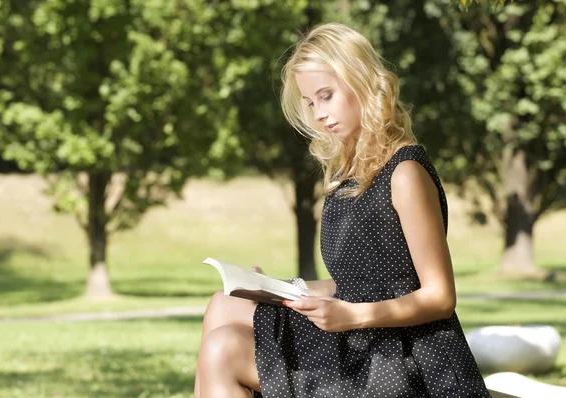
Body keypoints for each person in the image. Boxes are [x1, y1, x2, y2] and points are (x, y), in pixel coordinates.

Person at [194, 22, 492, 398]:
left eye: (326, 95)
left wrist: (353, 316)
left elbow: (440, 297)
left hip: (402, 359)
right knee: (223, 306)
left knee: (223, 350)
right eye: (310, 102)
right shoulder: (349, 171)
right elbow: (360, 282)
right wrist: (276, 288)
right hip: (362, 340)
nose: (319, 114)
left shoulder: (405, 173)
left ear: (362, 82)